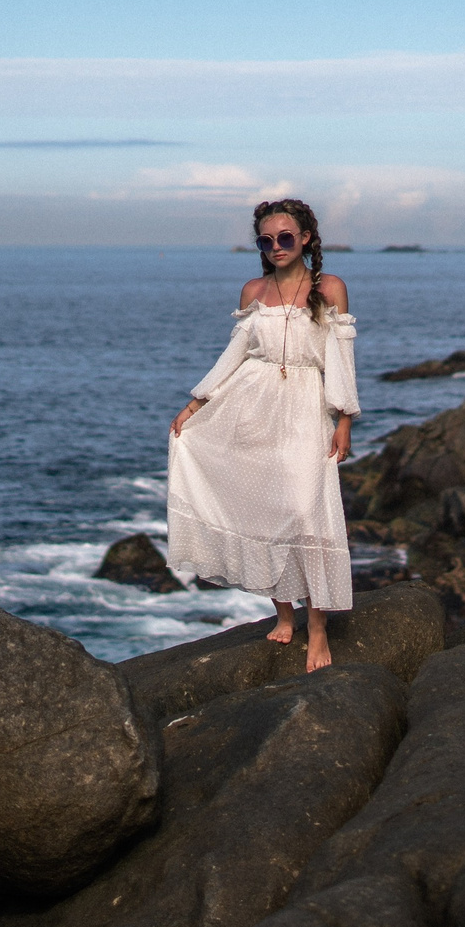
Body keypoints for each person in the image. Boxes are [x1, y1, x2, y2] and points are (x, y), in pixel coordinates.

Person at [166, 197, 359, 670]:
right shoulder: (253, 289)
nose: (276, 246)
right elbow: (234, 357)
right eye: (267, 239)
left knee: (304, 513)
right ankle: (284, 613)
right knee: (260, 510)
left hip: (304, 411)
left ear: (307, 239)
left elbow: (341, 360)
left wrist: (345, 419)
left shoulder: (329, 288)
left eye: (286, 237)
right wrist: (197, 403)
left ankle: (318, 629)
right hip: (250, 407)